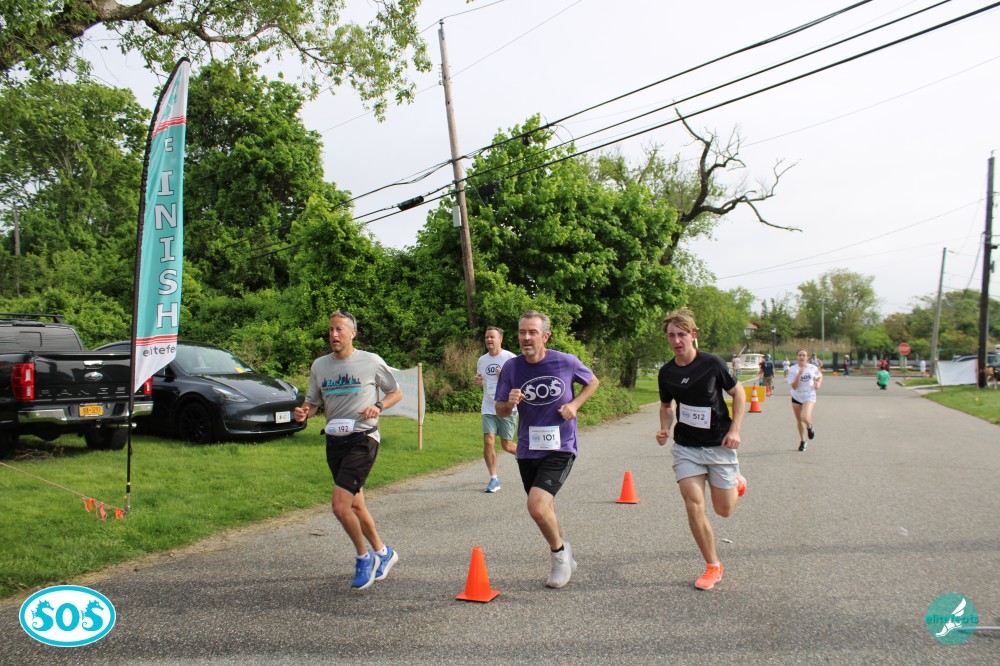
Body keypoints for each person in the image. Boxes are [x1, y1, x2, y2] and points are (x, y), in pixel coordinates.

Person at [294, 310, 404, 591]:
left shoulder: (371, 361)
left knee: (340, 506)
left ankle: (363, 558)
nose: (333, 334)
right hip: (334, 441)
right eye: (331, 329)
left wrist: (378, 406)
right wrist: (304, 412)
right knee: (355, 505)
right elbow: (312, 402)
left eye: (339, 329)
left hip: (363, 439)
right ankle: (383, 552)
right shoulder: (320, 366)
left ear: (352, 333)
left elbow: (396, 393)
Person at [495, 310, 600, 589]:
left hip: (560, 446)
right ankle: (565, 552)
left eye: (533, 332)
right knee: (545, 508)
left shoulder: (565, 361)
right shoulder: (512, 368)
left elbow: (593, 382)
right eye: (522, 332)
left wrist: (575, 405)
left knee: (537, 506)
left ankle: (559, 556)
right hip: (528, 449)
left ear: (546, 336)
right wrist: (509, 403)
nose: (526, 338)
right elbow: (500, 410)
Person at [655, 308, 747, 591]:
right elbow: (666, 405)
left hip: (719, 445)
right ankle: (712, 565)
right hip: (687, 447)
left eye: (681, 334)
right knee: (693, 503)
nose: (676, 340)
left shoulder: (712, 363)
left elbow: (739, 393)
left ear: (692, 335)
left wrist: (735, 430)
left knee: (724, 510)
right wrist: (664, 428)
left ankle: (736, 483)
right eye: (671, 335)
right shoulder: (667, 372)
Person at [473, 326, 517, 493]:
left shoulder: (510, 358)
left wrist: (504, 377)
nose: (489, 340)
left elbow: (520, 382)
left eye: (492, 337)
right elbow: (482, 379)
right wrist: (479, 382)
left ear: (500, 339)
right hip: (489, 406)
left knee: (507, 445)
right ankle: (493, 478)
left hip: (507, 407)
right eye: (487, 337)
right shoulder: (481, 360)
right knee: (488, 440)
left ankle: (530, 457)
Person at [788, 349, 823, 452]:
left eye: (804, 355)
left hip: (809, 396)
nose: (801, 357)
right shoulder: (792, 369)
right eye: (800, 355)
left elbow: (820, 376)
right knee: (799, 420)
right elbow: (794, 386)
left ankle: (809, 426)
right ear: (797, 357)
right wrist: (799, 374)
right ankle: (803, 441)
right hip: (796, 396)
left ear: (807, 357)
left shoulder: (813, 368)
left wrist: (818, 383)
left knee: (805, 417)